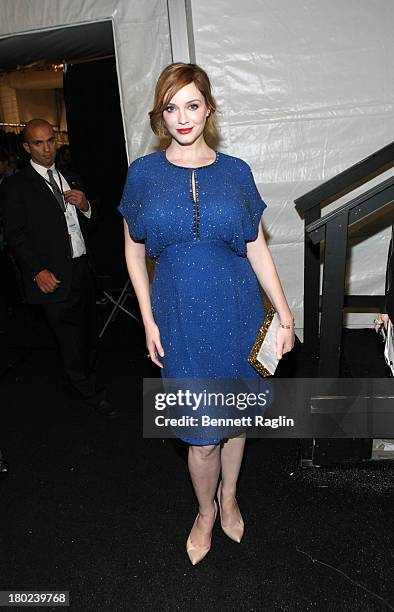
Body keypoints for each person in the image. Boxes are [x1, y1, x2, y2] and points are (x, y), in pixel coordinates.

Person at [118, 63, 294, 565]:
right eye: (171, 107)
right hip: (177, 316)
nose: (182, 117)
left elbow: (256, 248)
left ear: (209, 108)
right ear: (161, 115)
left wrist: (285, 316)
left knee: (235, 419)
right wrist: (149, 320)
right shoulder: (143, 174)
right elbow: (133, 253)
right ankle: (204, 511)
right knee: (200, 434)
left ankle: (231, 496)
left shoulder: (236, 170)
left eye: (191, 105)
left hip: (237, 310)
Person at [1, 119, 115, 416]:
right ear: (26, 147)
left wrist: (86, 205)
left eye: (50, 140)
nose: (46, 148)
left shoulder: (71, 177)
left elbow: (92, 224)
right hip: (52, 275)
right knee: (69, 338)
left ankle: (83, 381)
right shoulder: (16, 186)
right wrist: (37, 270)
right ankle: (90, 392)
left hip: (81, 270)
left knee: (89, 332)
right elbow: (15, 235)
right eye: (38, 143)